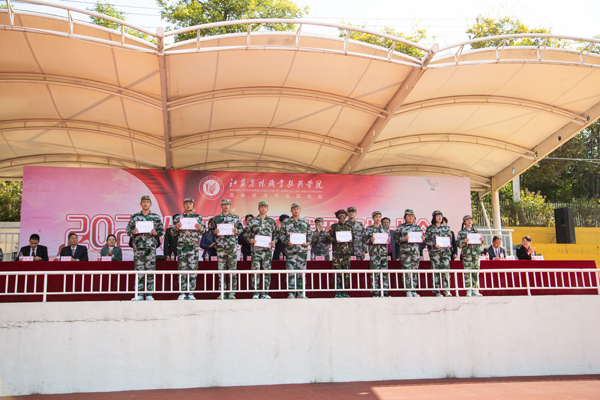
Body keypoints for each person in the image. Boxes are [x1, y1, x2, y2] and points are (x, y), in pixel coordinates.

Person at [126, 195, 164, 301]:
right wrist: (132, 232)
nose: (145, 204)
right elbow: (128, 229)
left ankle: (149, 294)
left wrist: (156, 232)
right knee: (139, 271)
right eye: (144, 202)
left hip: (150, 248)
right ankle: (138, 294)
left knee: (150, 271)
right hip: (138, 248)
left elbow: (161, 230)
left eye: (147, 202)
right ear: (140, 204)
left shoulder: (155, 217)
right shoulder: (135, 217)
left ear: (150, 204)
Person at [209, 199, 244, 300]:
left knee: (232, 271)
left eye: (228, 204)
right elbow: (210, 231)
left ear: (230, 206)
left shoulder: (235, 218)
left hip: (232, 247)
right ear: (221, 206)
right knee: (221, 272)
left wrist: (237, 230)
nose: (226, 206)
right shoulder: (216, 218)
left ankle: (232, 293)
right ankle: (222, 293)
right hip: (220, 248)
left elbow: (241, 229)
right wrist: (214, 232)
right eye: (224, 204)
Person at [172, 198, 205, 301]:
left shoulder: (198, 217)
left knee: (193, 270)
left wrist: (200, 228)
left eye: (190, 203)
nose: (188, 205)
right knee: (182, 270)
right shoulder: (178, 218)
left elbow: (204, 232)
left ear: (193, 205)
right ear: (184, 205)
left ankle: (191, 292)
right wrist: (176, 228)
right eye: (186, 203)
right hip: (182, 248)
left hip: (193, 248)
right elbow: (172, 232)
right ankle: (182, 292)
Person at [244, 202, 278, 299]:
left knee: (267, 272)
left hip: (267, 251)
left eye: (265, 207)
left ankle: (265, 293)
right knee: (255, 272)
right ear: (258, 208)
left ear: (267, 209)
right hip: (256, 251)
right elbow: (245, 232)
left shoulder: (271, 221)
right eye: (261, 207)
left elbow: (276, 233)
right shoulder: (253, 221)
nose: (263, 209)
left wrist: (274, 241)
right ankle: (255, 293)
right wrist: (249, 239)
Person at [279, 203, 312, 299]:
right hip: (291, 252)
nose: (296, 211)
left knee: (302, 273)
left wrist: (307, 242)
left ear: (300, 210)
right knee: (291, 272)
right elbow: (281, 235)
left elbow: (310, 234)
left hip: (302, 252)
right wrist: (287, 242)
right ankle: (291, 293)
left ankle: (301, 293)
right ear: (291, 210)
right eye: (294, 209)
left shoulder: (305, 222)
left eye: (297, 209)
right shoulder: (286, 222)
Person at [394, 209, 423, 297]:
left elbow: (421, 239)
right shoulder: (401, 227)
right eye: (408, 216)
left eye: (412, 216)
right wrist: (404, 238)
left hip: (415, 253)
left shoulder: (417, 228)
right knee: (406, 271)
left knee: (414, 271)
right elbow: (396, 238)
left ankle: (413, 290)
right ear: (405, 217)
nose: (410, 217)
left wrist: (422, 238)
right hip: (405, 253)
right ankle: (408, 290)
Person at [424, 211, 452, 297]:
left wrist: (448, 244)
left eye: (441, 216)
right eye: (437, 216)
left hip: (445, 253)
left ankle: (447, 290)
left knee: (446, 271)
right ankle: (437, 291)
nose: (439, 217)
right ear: (434, 217)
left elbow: (449, 238)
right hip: (435, 253)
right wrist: (434, 244)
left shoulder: (446, 228)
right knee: (435, 271)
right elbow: (426, 240)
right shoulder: (430, 228)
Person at [327, 209, 353, 298]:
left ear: (346, 216)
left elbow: (353, 238)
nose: (342, 217)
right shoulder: (334, 226)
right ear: (337, 217)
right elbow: (328, 237)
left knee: (346, 273)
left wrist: (350, 240)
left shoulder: (349, 227)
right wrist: (335, 240)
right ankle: (337, 291)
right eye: (340, 215)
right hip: (337, 254)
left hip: (346, 254)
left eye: (343, 215)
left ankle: (344, 291)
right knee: (337, 273)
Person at [365, 211, 390, 297]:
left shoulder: (385, 229)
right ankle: (375, 292)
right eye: (376, 217)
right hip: (374, 254)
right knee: (374, 273)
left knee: (385, 273)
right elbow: (365, 240)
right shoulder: (369, 229)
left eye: (379, 217)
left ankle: (385, 292)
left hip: (383, 254)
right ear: (373, 218)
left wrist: (388, 240)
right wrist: (370, 240)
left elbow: (388, 240)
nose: (378, 218)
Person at [457, 215, 483, 297]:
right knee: (467, 272)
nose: (469, 221)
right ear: (464, 222)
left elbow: (480, 244)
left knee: (476, 272)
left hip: (476, 255)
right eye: (467, 220)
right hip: (467, 255)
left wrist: (481, 240)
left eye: (470, 220)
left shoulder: (476, 231)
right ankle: (468, 289)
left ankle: (475, 289)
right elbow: (458, 245)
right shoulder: (461, 233)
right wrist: (464, 241)